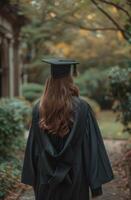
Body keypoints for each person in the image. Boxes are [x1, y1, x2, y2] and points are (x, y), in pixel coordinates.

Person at [21, 58, 114, 200]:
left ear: (50, 81)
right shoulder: (83, 108)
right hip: (76, 176)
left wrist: (32, 178)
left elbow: (33, 147)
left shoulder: (38, 109)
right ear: (70, 80)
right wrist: (95, 185)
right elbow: (92, 147)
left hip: (46, 178)